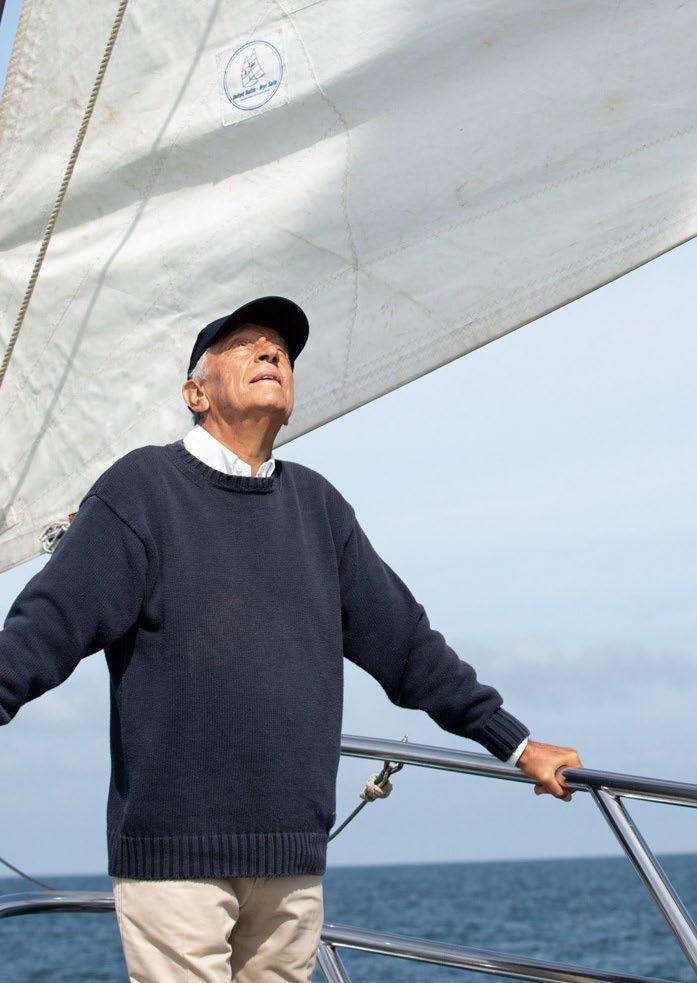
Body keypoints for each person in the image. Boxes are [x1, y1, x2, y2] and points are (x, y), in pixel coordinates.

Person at [0, 296, 582, 981]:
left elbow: (407, 646)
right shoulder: (141, 489)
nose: (271, 353)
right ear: (195, 393)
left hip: (290, 855)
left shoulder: (319, 508)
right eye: (244, 345)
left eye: (280, 349)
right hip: (175, 859)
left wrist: (514, 743)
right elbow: (48, 624)